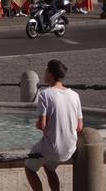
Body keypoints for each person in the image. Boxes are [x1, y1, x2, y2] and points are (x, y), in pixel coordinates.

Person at [25, 60, 83, 191]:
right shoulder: (75, 95)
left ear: (50, 74)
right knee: (49, 168)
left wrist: (38, 125)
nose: (44, 73)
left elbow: (41, 125)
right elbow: (79, 126)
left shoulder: (45, 94)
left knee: (29, 168)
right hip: (69, 148)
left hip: (52, 147)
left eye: (46, 70)